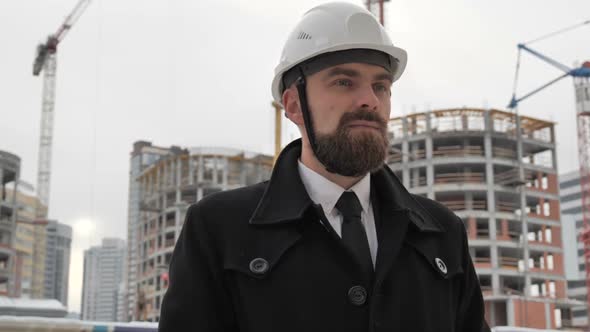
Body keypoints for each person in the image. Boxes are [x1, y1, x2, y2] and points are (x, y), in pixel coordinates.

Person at [159, 2, 490, 331]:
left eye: (381, 86)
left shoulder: (443, 234)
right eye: (344, 82)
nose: (370, 100)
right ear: (293, 105)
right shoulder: (218, 229)